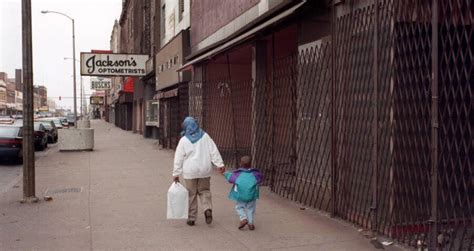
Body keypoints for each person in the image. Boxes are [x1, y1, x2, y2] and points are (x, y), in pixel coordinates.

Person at [173, 117, 225, 226]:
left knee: (191, 194)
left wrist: (176, 173)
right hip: (204, 170)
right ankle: (207, 209)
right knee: (204, 191)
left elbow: (178, 158)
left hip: (190, 172)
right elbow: (213, 150)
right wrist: (220, 164)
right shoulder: (205, 136)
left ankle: (191, 218)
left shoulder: (184, 140)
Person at [223, 156, 263, 230]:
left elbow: (230, 177)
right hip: (252, 195)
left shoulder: (238, 174)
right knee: (250, 209)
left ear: (240, 164)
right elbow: (260, 178)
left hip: (241, 195)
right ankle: (250, 223)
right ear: (251, 164)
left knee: (239, 207)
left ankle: (243, 218)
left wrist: (224, 173)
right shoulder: (255, 174)